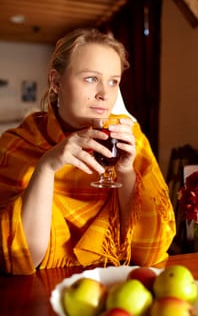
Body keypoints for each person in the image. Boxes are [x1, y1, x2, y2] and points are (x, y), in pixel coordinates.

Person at [0, 28, 175, 275]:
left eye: (113, 81)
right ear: (56, 82)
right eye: (91, 78)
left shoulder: (129, 137)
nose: (105, 94)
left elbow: (149, 252)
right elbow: (23, 259)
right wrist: (46, 167)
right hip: (43, 292)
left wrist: (125, 173)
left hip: (116, 290)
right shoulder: (17, 144)